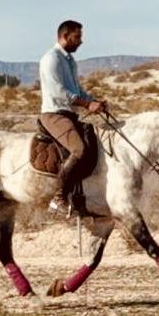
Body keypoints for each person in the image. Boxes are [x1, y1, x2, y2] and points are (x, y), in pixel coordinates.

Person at [38, 19, 107, 214]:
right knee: (79, 150)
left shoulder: (69, 60)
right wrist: (87, 104)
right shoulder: (51, 59)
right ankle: (58, 197)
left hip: (69, 114)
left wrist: (95, 101)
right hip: (54, 114)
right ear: (64, 36)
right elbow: (59, 92)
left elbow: (77, 90)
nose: (80, 41)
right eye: (77, 37)